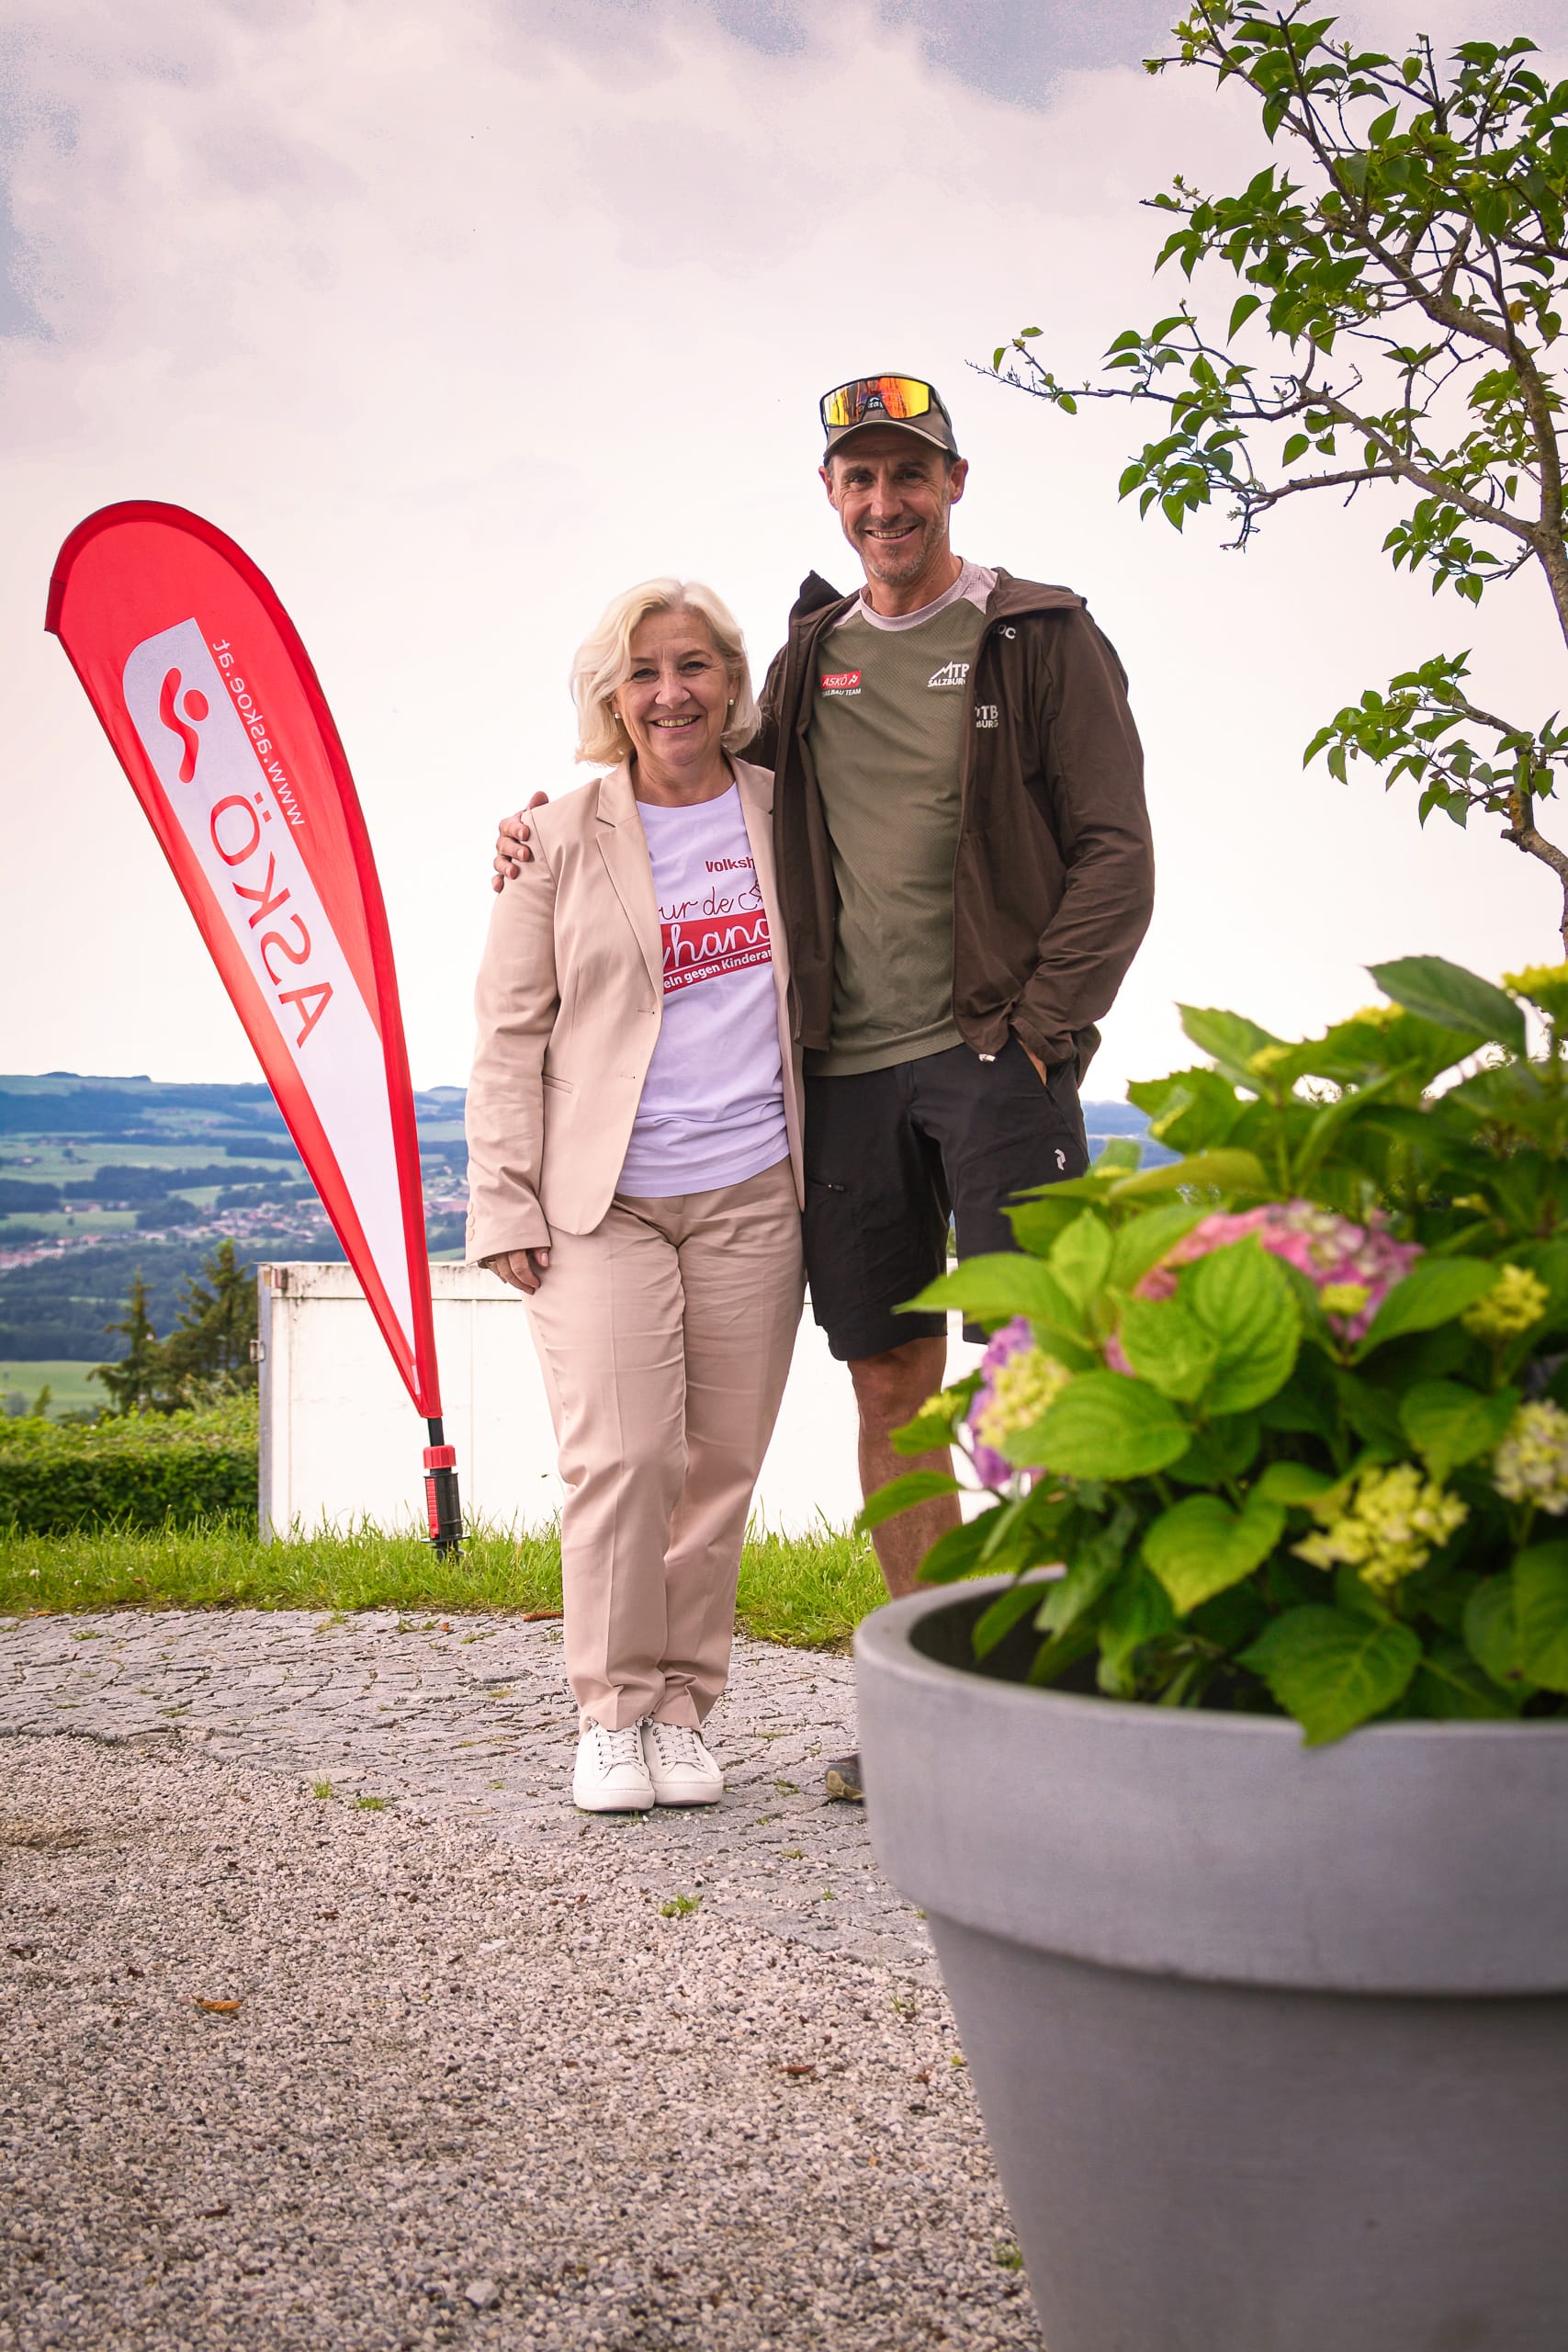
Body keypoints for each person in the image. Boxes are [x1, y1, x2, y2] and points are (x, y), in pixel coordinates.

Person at [492, 375, 1155, 1800]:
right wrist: (544, 816)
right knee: (892, 1385)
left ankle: (1064, 1699)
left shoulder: (1040, 636)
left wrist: (1042, 1033)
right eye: (860, 480)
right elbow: (701, 776)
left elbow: (1116, 851)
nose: (885, 503)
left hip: (994, 1061)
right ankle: (932, 1717)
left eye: (909, 476)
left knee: (1040, 1374)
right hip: (847, 1078)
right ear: (833, 498)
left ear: (955, 484)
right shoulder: (810, 656)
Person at [467, 580, 804, 1814]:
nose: (673, 693)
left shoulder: (788, 814)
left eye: (696, 666)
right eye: (645, 672)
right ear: (614, 696)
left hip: (755, 1193)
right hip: (597, 1200)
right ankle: (610, 1712)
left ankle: (681, 1709)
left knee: (717, 1463)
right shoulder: (555, 834)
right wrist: (501, 1202)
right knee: (623, 1456)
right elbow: (510, 1032)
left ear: (732, 683)